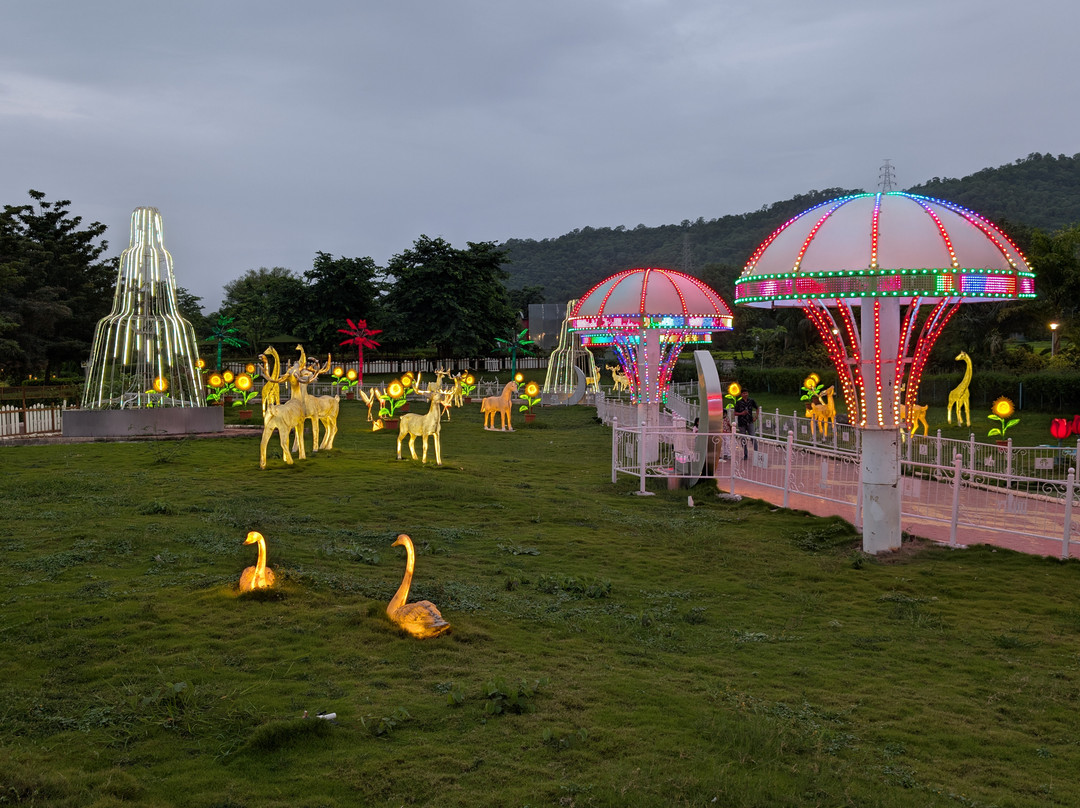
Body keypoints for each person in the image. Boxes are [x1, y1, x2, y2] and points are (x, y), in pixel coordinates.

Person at [732, 388, 758, 459]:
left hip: (750, 422)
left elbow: (757, 407)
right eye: (744, 393)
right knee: (743, 439)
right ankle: (745, 454)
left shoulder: (751, 401)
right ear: (741, 394)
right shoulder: (739, 402)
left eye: (746, 393)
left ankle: (756, 453)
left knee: (753, 437)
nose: (745, 394)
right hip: (742, 423)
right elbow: (735, 413)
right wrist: (741, 413)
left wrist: (756, 417)